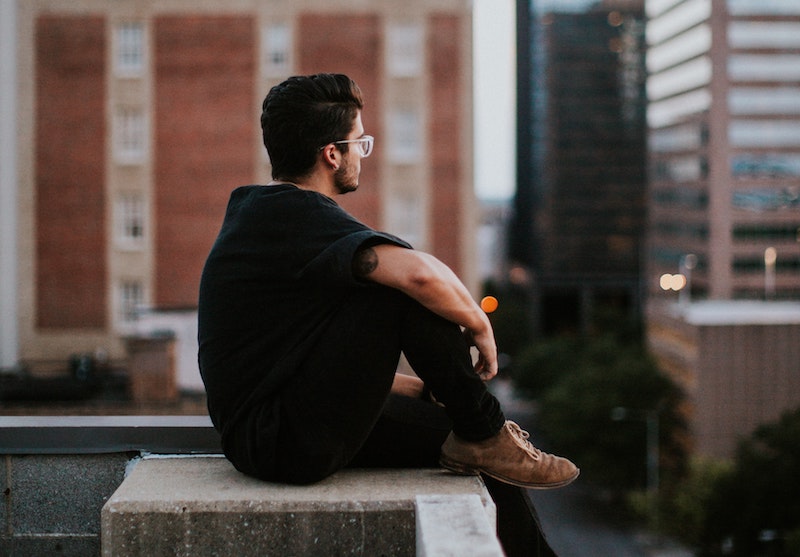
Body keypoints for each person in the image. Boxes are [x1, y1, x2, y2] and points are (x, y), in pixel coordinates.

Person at [198, 73, 578, 494]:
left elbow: (293, 354)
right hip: (285, 442)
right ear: (332, 154)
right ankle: (487, 433)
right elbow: (418, 274)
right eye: (360, 142)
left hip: (271, 437)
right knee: (394, 288)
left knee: (469, 451)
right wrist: (480, 324)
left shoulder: (263, 216)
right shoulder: (295, 214)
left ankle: (485, 446)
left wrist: (420, 390)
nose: (364, 153)